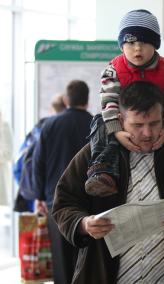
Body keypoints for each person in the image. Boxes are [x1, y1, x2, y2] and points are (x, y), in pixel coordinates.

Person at [52, 81, 164, 283]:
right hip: (105, 273)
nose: (148, 133)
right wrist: (84, 224)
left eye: (154, 123)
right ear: (120, 120)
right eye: (138, 125)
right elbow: (64, 202)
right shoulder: (97, 155)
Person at [85, 9, 164, 202]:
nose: (137, 49)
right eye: (130, 42)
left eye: (144, 42)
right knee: (99, 123)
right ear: (121, 46)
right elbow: (108, 104)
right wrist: (117, 131)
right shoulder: (113, 71)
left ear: (155, 44)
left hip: (160, 121)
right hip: (123, 122)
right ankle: (103, 173)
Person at [32, 80, 93, 283]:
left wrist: (39, 196)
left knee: (61, 263)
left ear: (66, 100)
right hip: (90, 203)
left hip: (55, 202)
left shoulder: (50, 124)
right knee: (88, 260)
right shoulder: (96, 125)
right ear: (87, 98)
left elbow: (38, 163)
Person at [13, 94, 66, 212]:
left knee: (38, 229)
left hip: (36, 197)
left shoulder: (39, 129)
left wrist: (34, 193)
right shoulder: (66, 132)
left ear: (51, 110)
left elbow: (18, 166)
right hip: (57, 195)